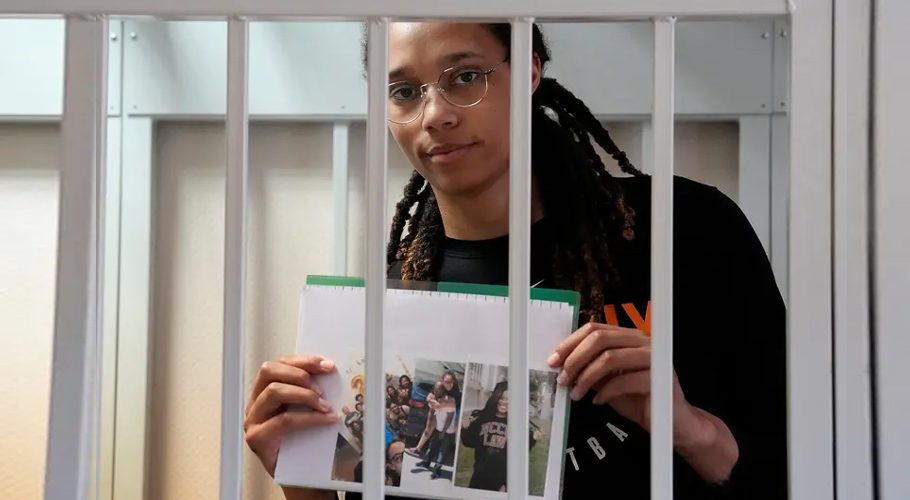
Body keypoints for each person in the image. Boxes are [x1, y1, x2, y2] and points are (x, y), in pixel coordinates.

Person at [242, 21, 787, 500]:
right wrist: (304, 481)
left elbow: (798, 468)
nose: (435, 115)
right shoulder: (399, 308)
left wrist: (693, 430)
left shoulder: (687, 228)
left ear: (528, 72)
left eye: (464, 77)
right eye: (405, 91)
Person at [459, 380, 538, 491]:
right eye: (502, 398)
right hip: (479, 476)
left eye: (509, 399)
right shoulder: (482, 418)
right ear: (496, 397)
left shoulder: (518, 423)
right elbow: (469, 442)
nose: (504, 402)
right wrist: (465, 428)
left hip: (502, 479)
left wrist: (533, 438)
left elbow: (522, 450)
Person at [415, 383, 458, 479]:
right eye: (435, 389)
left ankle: (436, 470)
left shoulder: (449, 400)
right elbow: (431, 408)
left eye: (438, 389)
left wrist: (443, 432)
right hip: (438, 429)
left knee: (442, 452)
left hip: (448, 431)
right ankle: (426, 462)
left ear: (443, 390)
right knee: (432, 446)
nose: (436, 391)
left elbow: (449, 419)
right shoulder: (437, 399)